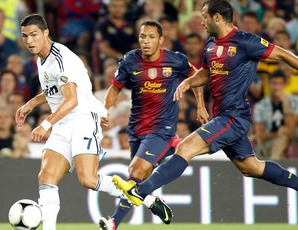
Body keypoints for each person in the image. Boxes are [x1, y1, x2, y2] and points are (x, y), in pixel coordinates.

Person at [111, 0, 298, 218]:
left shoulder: (246, 42)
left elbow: (284, 55)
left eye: (204, 16)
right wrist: (189, 82)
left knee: (185, 148)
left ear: (217, 17)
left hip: (234, 117)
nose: (201, 21)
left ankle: (141, 191)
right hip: (222, 117)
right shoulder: (210, 44)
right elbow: (205, 72)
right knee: (251, 168)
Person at [17, 14, 125, 230]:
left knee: (87, 179)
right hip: (63, 122)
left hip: (83, 117)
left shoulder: (61, 58)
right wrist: (31, 103)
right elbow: (53, 90)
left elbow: (72, 99)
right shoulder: (41, 58)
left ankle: (127, 190)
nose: (29, 40)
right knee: (46, 176)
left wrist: (45, 124)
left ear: (46, 33)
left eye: (34, 35)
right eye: (25, 36)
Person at [98, 20, 208, 230]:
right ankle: (144, 205)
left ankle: (113, 223)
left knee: (136, 171)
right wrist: (105, 110)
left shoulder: (176, 60)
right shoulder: (130, 61)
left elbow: (197, 78)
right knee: (135, 181)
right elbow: (114, 88)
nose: (146, 41)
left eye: (150, 37)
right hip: (136, 130)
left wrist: (200, 107)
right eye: (142, 37)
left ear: (161, 39)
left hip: (161, 129)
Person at [253, 70, 298, 160]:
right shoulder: (260, 106)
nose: (277, 87)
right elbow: (261, 136)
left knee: (285, 134)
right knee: (282, 137)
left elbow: (292, 128)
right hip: (270, 143)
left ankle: (276, 164)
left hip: (293, 139)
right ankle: (277, 162)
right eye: (274, 83)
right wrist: (278, 133)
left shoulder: (294, 101)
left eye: (280, 84)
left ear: (285, 84)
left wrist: (286, 105)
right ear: (269, 84)